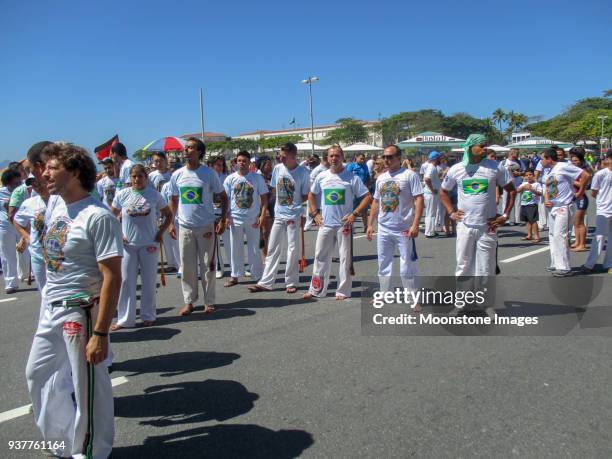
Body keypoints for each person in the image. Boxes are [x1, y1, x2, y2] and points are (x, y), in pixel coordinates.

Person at [26, 142, 123, 459]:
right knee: (36, 375)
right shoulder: (56, 205)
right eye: (45, 167)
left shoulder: (98, 216)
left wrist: (101, 333)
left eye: (53, 167)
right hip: (50, 309)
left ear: (76, 172)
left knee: (88, 389)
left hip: (79, 312)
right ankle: (65, 442)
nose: (45, 173)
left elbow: (112, 276)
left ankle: (91, 450)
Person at [440, 134, 516, 276]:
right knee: (463, 267)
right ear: (470, 147)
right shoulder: (456, 169)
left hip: (488, 225)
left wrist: (505, 215)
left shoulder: (495, 167)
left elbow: (511, 191)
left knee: (486, 269)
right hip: (465, 225)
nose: (485, 148)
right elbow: (443, 192)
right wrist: (451, 212)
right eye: (481, 146)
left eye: (485, 145)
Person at [304, 145, 372, 300]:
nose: (334, 158)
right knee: (320, 257)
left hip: (344, 225)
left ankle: (343, 291)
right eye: (331, 156)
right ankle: (316, 289)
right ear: (327, 159)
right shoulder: (322, 176)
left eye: (337, 155)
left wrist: (354, 214)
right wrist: (315, 214)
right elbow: (311, 195)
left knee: (345, 258)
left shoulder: (351, 177)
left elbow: (367, 196)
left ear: (342, 158)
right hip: (325, 224)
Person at [168, 137, 227, 315]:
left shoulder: (209, 174)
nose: (186, 150)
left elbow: (223, 197)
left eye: (191, 148)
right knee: (187, 266)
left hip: (206, 227)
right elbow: (174, 199)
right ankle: (189, 301)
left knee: (208, 265)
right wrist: (171, 222)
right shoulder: (177, 175)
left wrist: (223, 219)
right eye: (186, 148)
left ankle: (209, 301)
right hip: (185, 227)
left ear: (199, 152)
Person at [111, 164, 172, 329]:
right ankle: (125, 319)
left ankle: (148, 315)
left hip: (149, 244)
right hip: (128, 245)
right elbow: (111, 217)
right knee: (126, 282)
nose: (137, 179)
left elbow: (169, 215)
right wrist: (119, 234)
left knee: (149, 281)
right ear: (130, 178)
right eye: (134, 176)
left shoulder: (154, 195)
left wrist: (160, 232)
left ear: (146, 177)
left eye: (140, 176)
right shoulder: (122, 195)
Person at [366, 145, 424, 308]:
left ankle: (413, 298)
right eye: (384, 157)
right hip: (384, 228)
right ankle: (384, 294)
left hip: (403, 228)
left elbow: (419, 199)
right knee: (383, 263)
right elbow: (376, 201)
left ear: (399, 158)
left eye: (390, 157)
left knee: (407, 265)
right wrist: (370, 224)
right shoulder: (381, 178)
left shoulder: (409, 175)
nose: (386, 160)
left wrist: (415, 224)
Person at [249, 142, 310, 294]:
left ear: (293, 156)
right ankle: (266, 282)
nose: (280, 158)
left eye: (283, 156)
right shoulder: (278, 168)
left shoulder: (303, 172)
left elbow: (305, 194)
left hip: (294, 215)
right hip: (279, 214)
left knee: (292, 249)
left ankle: (291, 282)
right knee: (272, 248)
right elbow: (276, 189)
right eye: (279, 156)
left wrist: (294, 205)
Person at [540, 147, 589, 276]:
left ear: (549, 159)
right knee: (554, 235)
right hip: (553, 207)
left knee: (560, 235)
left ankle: (564, 267)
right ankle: (557, 263)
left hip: (565, 206)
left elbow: (585, 175)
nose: (541, 161)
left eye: (542, 158)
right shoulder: (549, 170)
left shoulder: (563, 166)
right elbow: (548, 187)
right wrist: (546, 199)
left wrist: (580, 192)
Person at [223, 150, 268, 287]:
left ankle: (258, 275)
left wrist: (262, 215)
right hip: (235, 218)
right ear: (236, 162)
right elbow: (225, 200)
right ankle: (235, 275)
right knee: (235, 248)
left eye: (244, 161)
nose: (241, 163)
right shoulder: (230, 179)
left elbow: (264, 198)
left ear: (249, 163)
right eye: (239, 161)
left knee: (254, 248)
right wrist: (225, 217)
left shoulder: (257, 178)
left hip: (252, 218)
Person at [13, 175, 50, 292]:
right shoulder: (29, 203)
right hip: (37, 254)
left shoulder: (60, 199)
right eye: (32, 183)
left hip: (57, 255)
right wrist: (26, 237)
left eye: (37, 182)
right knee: (43, 291)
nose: (36, 186)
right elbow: (17, 220)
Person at [581, 151, 612, 273]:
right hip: (604, 210)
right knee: (599, 237)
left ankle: (609, 264)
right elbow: (594, 192)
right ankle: (590, 264)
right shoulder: (600, 174)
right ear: (609, 158)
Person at [0, 167, 23, 293]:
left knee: (26, 253)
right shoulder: (1, 193)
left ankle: (26, 275)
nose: (19, 185)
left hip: (22, 226)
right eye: (15, 184)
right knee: (7, 255)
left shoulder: (24, 190)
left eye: (20, 182)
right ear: (8, 183)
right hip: (5, 227)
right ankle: (11, 283)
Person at [209, 155, 232, 278]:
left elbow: (230, 198)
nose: (220, 167)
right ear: (211, 166)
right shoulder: (207, 179)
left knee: (229, 242)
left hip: (225, 214)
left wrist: (228, 215)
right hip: (212, 215)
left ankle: (235, 267)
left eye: (221, 164)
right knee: (216, 245)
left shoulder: (227, 179)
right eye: (217, 164)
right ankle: (219, 268)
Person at [569, 147, 592, 252]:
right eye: (572, 161)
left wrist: (572, 181)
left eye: (576, 161)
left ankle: (582, 244)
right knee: (575, 222)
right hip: (576, 198)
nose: (574, 162)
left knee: (580, 222)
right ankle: (577, 242)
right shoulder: (574, 169)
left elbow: (586, 185)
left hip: (582, 197)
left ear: (581, 160)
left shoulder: (585, 170)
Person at [256, 156, 275, 258]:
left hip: (273, 207)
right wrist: (265, 209)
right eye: (268, 164)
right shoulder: (258, 178)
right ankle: (265, 255)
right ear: (262, 166)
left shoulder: (272, 177)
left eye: (270, 164)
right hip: (263, 208)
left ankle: (269, 254)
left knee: (270, 233)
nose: (270, 166)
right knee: (264, 232)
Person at [516, 170, 542, 242]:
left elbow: (540, 193)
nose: (529, 176)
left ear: (533, 176)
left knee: (533, 220)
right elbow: (517, 190)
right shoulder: (524, 183)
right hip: (524, 204)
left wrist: (531, 189)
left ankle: (536, 236)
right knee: (527, 221)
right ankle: (529, 235)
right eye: (527, 175)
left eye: (530, 175)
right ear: (524, 177)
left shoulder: (537, 184)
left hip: (532, 204)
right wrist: (522, 188)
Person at [304, 155, 329, 230]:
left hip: (323, 191)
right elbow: (311, 180)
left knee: (322, 207)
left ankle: (322, 223)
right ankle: (308, 225)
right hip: (315, 191)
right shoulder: (319, 169)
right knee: (311, 207)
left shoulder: (327, 168)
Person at [499, 149, 523, 225]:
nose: (517, 154)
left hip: (517, 184)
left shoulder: (519, 162)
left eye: (518, 153)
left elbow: (523, 171)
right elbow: (499, 172)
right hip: (506, 184)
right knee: (505, 201)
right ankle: (505, 219)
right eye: (516, 153)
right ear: (511, 153)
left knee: (517, 202)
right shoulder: (503, 162)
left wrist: (519, 173)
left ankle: (517, 220)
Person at [422, 151, 442, 238]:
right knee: (431, 213)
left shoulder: (433, 167)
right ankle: (429, 232)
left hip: (431, 193)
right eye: (439, 158)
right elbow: (426, 179)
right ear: (436, 158)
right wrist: (432, 189)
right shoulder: (431, 167)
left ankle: (431, 230)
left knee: (431, 212)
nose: (440, 159)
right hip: (431, 194)